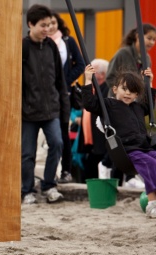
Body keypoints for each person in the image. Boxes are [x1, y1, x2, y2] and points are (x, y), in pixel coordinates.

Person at [83, 65, 156, 217]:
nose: (128, 93)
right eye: (124, 89)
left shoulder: (138, 107)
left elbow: (150, 103)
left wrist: (149, 83)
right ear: (115, 89)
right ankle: (152, 203)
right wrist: (88, 80)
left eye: (133, 91)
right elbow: (90, 104)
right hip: (127, 149)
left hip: (144, 146)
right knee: (150, 164)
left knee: (153, 160)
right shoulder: (108, 105)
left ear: (137, 94)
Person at [21, 4, 69, 204]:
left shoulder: (51, 46)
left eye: (50, 25)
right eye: (43, 25)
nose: (47, 29)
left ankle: (49, 185)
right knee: (27, 153)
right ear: (31, 24)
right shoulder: (22, 47)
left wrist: (63, 106)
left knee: (57, 144)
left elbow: (60, 79)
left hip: (51, 109)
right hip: (28, 112)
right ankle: (27, 190)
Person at [104, 23, 156, 189]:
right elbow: (110, 77)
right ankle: (108, 167)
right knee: (119, 141)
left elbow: (144, 86)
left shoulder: (146, 58)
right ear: (137, 36)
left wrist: (144, 85)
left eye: (154, 40)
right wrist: (122, 92)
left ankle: (126, 178)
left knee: (132, 140)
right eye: (149, 38)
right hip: (118, 104)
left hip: (134, 103)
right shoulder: (124, 54)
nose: (151, 42)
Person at [48, 12, 85, 184]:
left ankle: (66, 170)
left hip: (65, 95)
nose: (50, 26)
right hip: (45, 95)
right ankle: (50, 173)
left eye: (53, 22)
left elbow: (81, 64)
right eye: (47, 23)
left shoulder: (68, 41)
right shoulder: (40, 43)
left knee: (63, 132)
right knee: (48, 134)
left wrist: (65, 82)